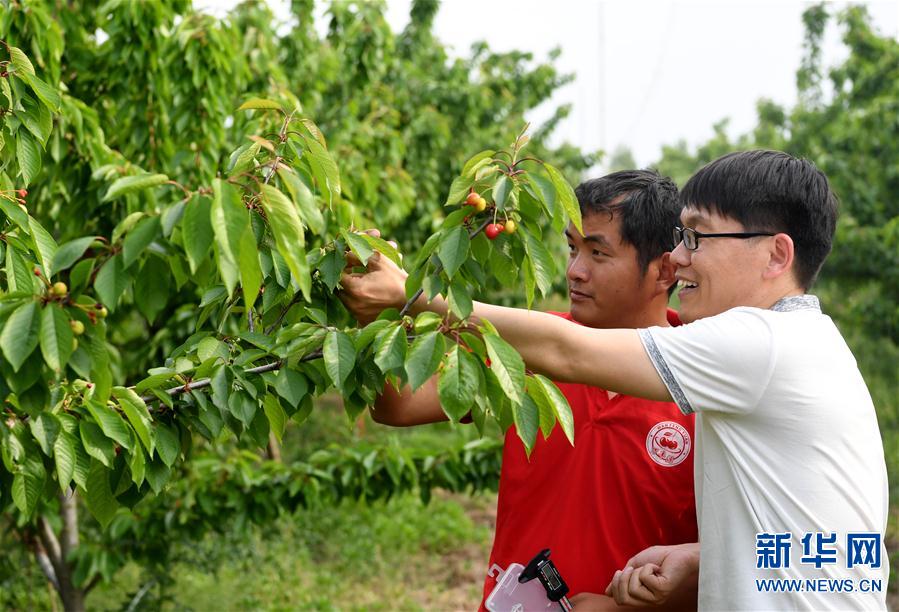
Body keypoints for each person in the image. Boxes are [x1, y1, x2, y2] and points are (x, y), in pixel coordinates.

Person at [341, 150, 889, 610]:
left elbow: (567, 351)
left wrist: (410, 295)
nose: (680, 257)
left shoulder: (756, 347)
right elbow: (810, 543)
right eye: (572, 249)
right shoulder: (797, 351)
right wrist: (697, 558)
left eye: (697, 238)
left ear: (776, 253)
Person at [341, 170, 699, 610]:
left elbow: (732, 560)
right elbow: (399, 407)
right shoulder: (530, 349)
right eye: (572, 248)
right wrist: (376, 312)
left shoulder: (702, 390)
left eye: (598, 253)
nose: (574, 271)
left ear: (664, 269)